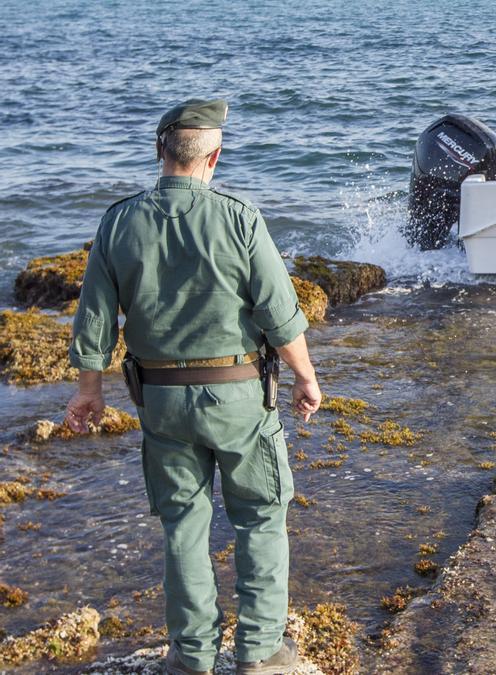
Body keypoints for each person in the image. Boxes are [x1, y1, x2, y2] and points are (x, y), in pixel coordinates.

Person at [65, 99, 321, 675]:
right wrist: (306, 377)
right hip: (237, 397)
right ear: (215, 156)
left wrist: (89, 391)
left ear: (160, 152)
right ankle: (260, 653)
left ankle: (192, 657)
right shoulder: (239, 217)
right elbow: (281, 313)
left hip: (160, 401)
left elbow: (95, 320)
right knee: (259, 516)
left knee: (183, 522)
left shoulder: (119, 220)